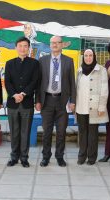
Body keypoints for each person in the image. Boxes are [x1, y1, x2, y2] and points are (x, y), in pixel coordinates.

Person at [36, 35, 76, 167]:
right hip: (46, 100)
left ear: (62, 45)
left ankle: (60, 156)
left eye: (57, 43)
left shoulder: (69, 61)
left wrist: (72, 101)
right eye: (52, 43)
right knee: (46, 131)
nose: (54, 45)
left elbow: (72, 83)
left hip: (62, 101)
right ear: (50, 44)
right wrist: (38, 101)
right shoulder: (42, 60)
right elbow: (38, 83)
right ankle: (45, 157)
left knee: (61, 131)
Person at [5, 37, 39, 168]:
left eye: (25, 46)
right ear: (16, 47)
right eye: (20, 46)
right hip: (13, 103)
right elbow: (7, 82)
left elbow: (34, 81)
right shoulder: (9, 63)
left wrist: (23, 94)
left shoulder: (34, 63)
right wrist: (14, 94)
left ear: (29, 48)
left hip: (27, 102)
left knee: (25, 131)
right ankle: (14, 157)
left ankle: (24, 158)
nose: (23, 48)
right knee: (14, 131)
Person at [75, 49, 108, 165]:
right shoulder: (79, 70)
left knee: (93, 134)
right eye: (86, 56)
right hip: (80, 107)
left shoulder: (101, 70)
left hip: (94, 107)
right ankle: (81, 156)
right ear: (83, 57)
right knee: (82, 133)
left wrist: (101, 107)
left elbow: (104, 90)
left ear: (94, 57)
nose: (88, 58)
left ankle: (92, 157)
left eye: (90, 56)